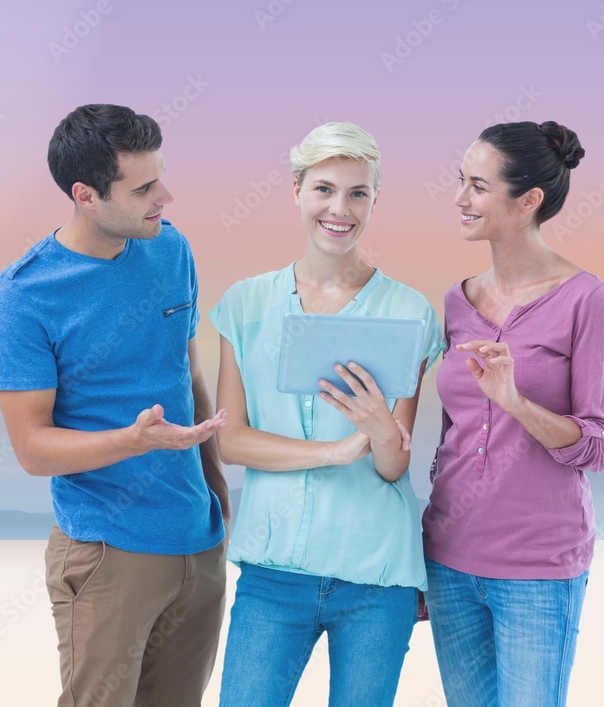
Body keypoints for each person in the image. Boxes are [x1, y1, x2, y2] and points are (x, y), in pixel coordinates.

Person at [0, 104, 229, 707]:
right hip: (107, 553)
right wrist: (131, 441)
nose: (163, 197)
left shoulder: (171, 249)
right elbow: (32, 448)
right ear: (86, 195)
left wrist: (216, 484)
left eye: (161, 177)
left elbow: (186, 369)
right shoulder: (24, 296)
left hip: (198, 542)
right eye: (144, 188)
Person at [209, 122, 444, 707]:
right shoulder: (245, 304)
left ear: (374, 202)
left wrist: (378, 428)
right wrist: (334, 452)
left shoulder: (408, 311)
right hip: (272, 574)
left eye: (358, 193)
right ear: (296, 190)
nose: (340, 208)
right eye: (324, 189)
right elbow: (230, 441)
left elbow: (394, 465)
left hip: (376, 575)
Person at [421, 121, 604, 707]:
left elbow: (599, 445)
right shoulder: (457, 299)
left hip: (538, 566)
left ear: (528, 200)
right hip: (449, 561)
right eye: (461, 182)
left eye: (478, 186)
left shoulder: (587, 299)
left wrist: (515, 402)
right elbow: (451, 435)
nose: (461, 199)